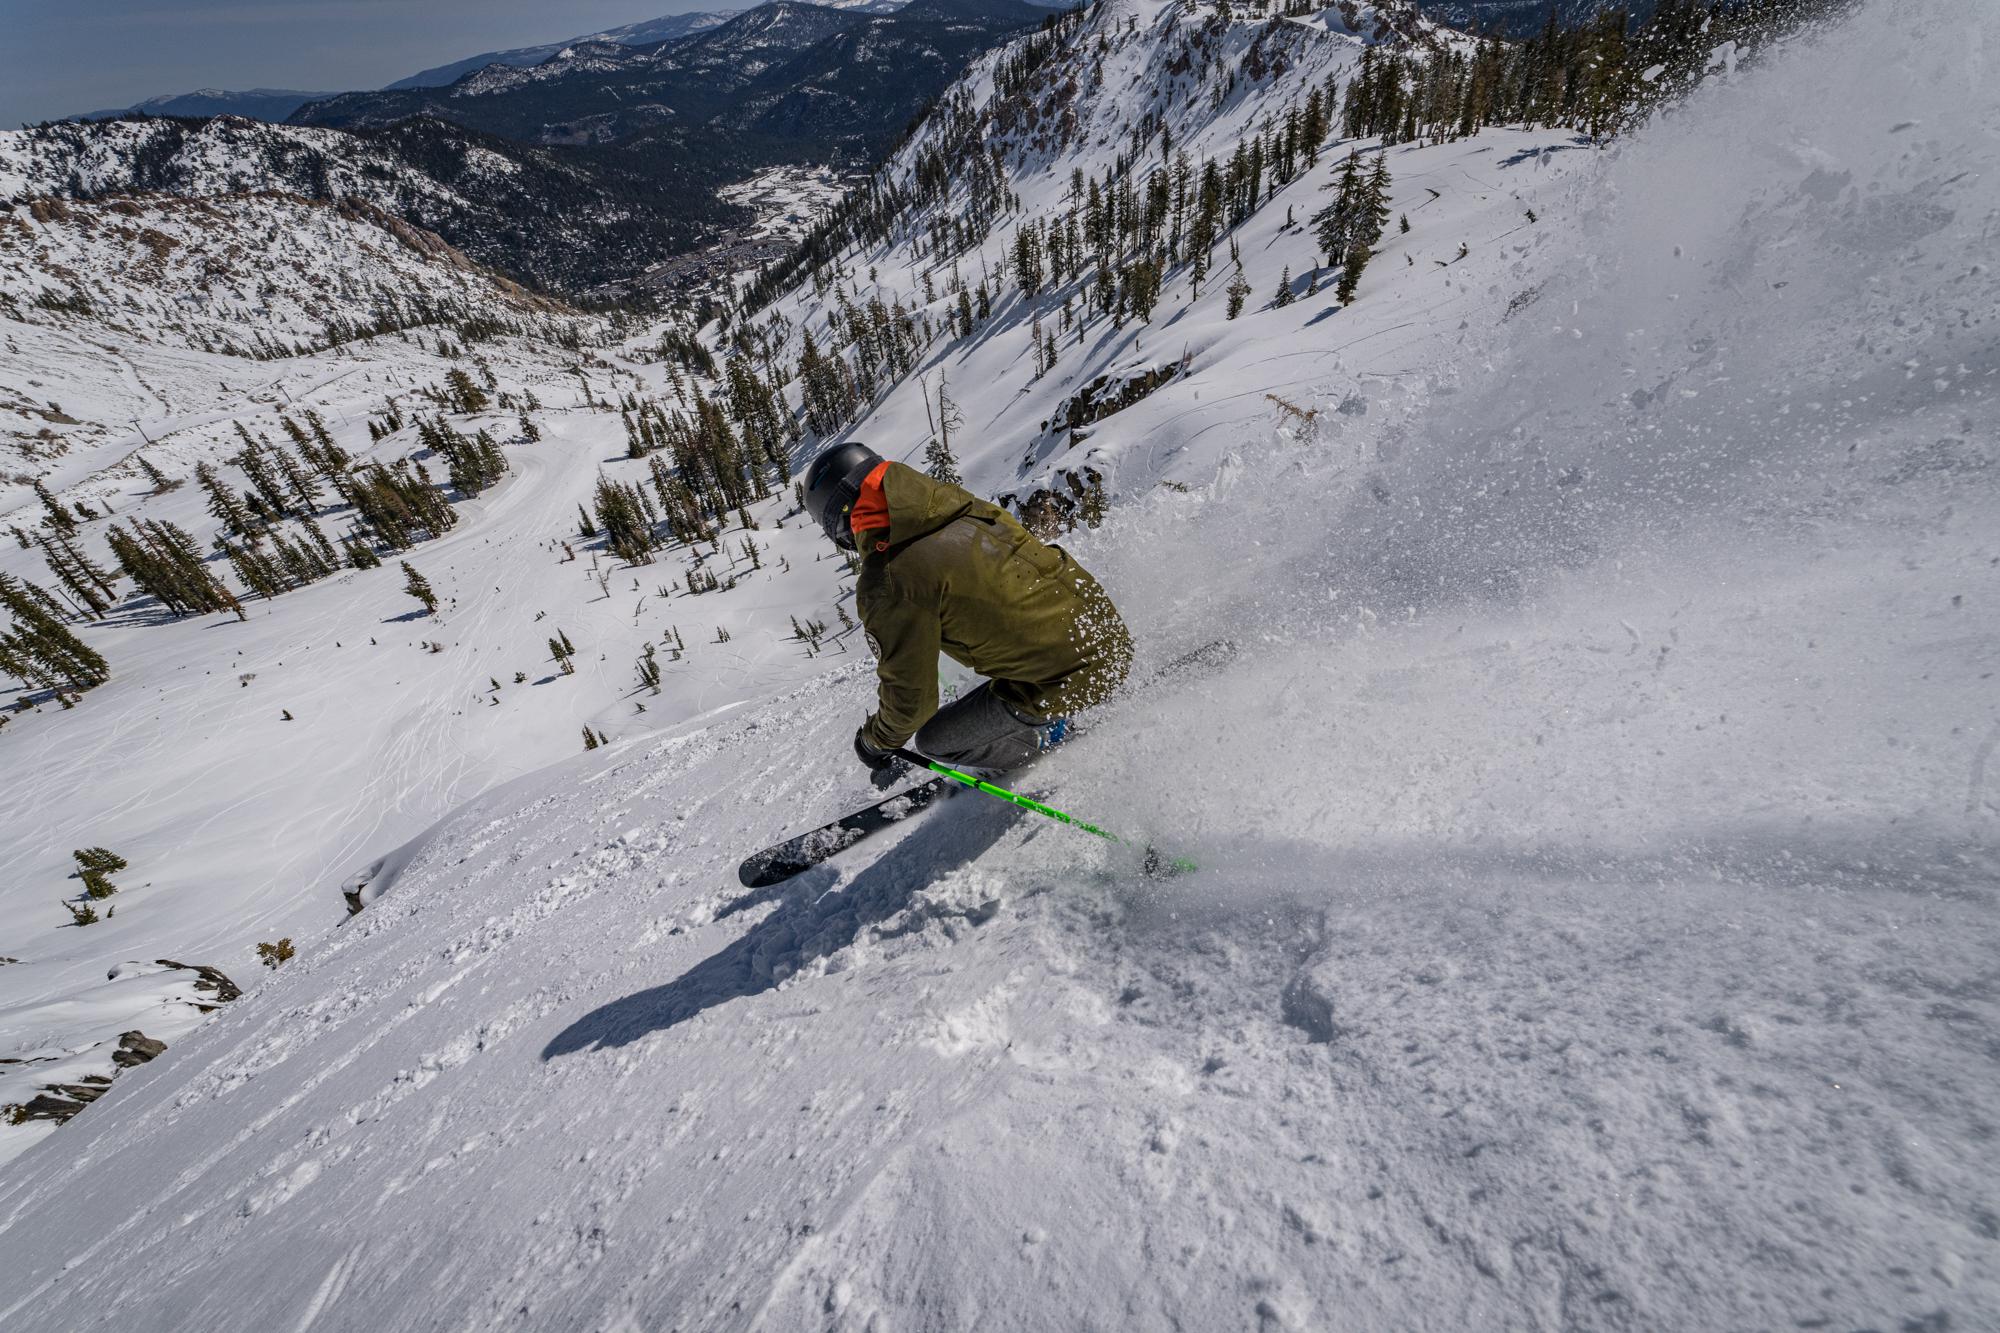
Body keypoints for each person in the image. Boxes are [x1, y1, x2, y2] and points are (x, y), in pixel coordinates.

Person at [803, 442, 1131, 787]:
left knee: (935, 741)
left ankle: (1042, 742)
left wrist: (874, 742)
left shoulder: (889, 578)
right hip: (1107, 636)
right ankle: (1060, 700)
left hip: (1071, 679)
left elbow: (911, 705)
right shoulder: (960, 506)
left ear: (841, 523)